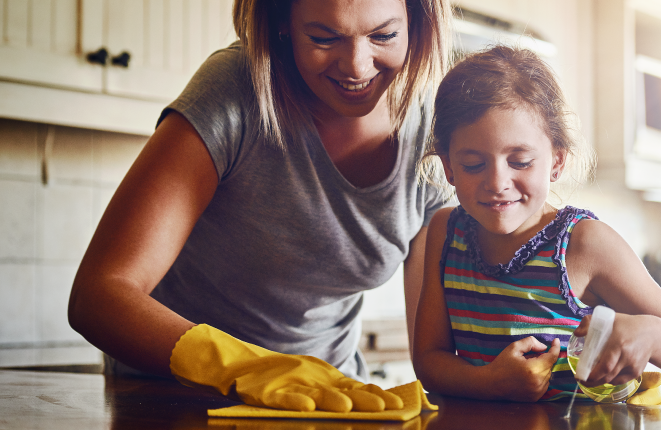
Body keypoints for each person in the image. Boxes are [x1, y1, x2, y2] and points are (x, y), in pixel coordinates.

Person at [68, 0, 452, 412]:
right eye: (323, 38)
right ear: (282, 24)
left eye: (384, 36)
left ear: (418, 22)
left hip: (327, 404)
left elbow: (432, 352)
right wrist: (243, 367)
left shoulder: (432, 128)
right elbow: (99, 296)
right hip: (177, 402)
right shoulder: (236, 88)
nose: (357, 66)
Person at [412, 45, 661, 402]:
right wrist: (490, 381)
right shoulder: (447, 232)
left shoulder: (584, 244)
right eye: (474, 165)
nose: (497, 182)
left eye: (520, 161)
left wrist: (650, 333)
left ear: (556, 161)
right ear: (448, 166)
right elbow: (429, 361)